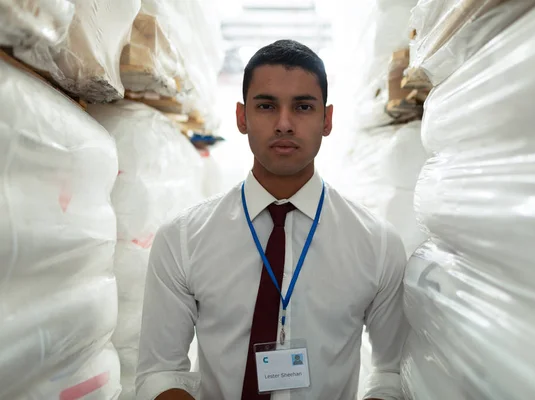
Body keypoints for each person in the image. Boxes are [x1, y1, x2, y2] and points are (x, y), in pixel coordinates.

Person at [135, 39, 409, 400]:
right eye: (266, 106)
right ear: (241, 117)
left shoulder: (377, 244)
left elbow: (391, 371)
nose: (284, 124)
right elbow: (160, 372)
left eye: (303, 107)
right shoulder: (182, 240)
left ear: (326, 120)